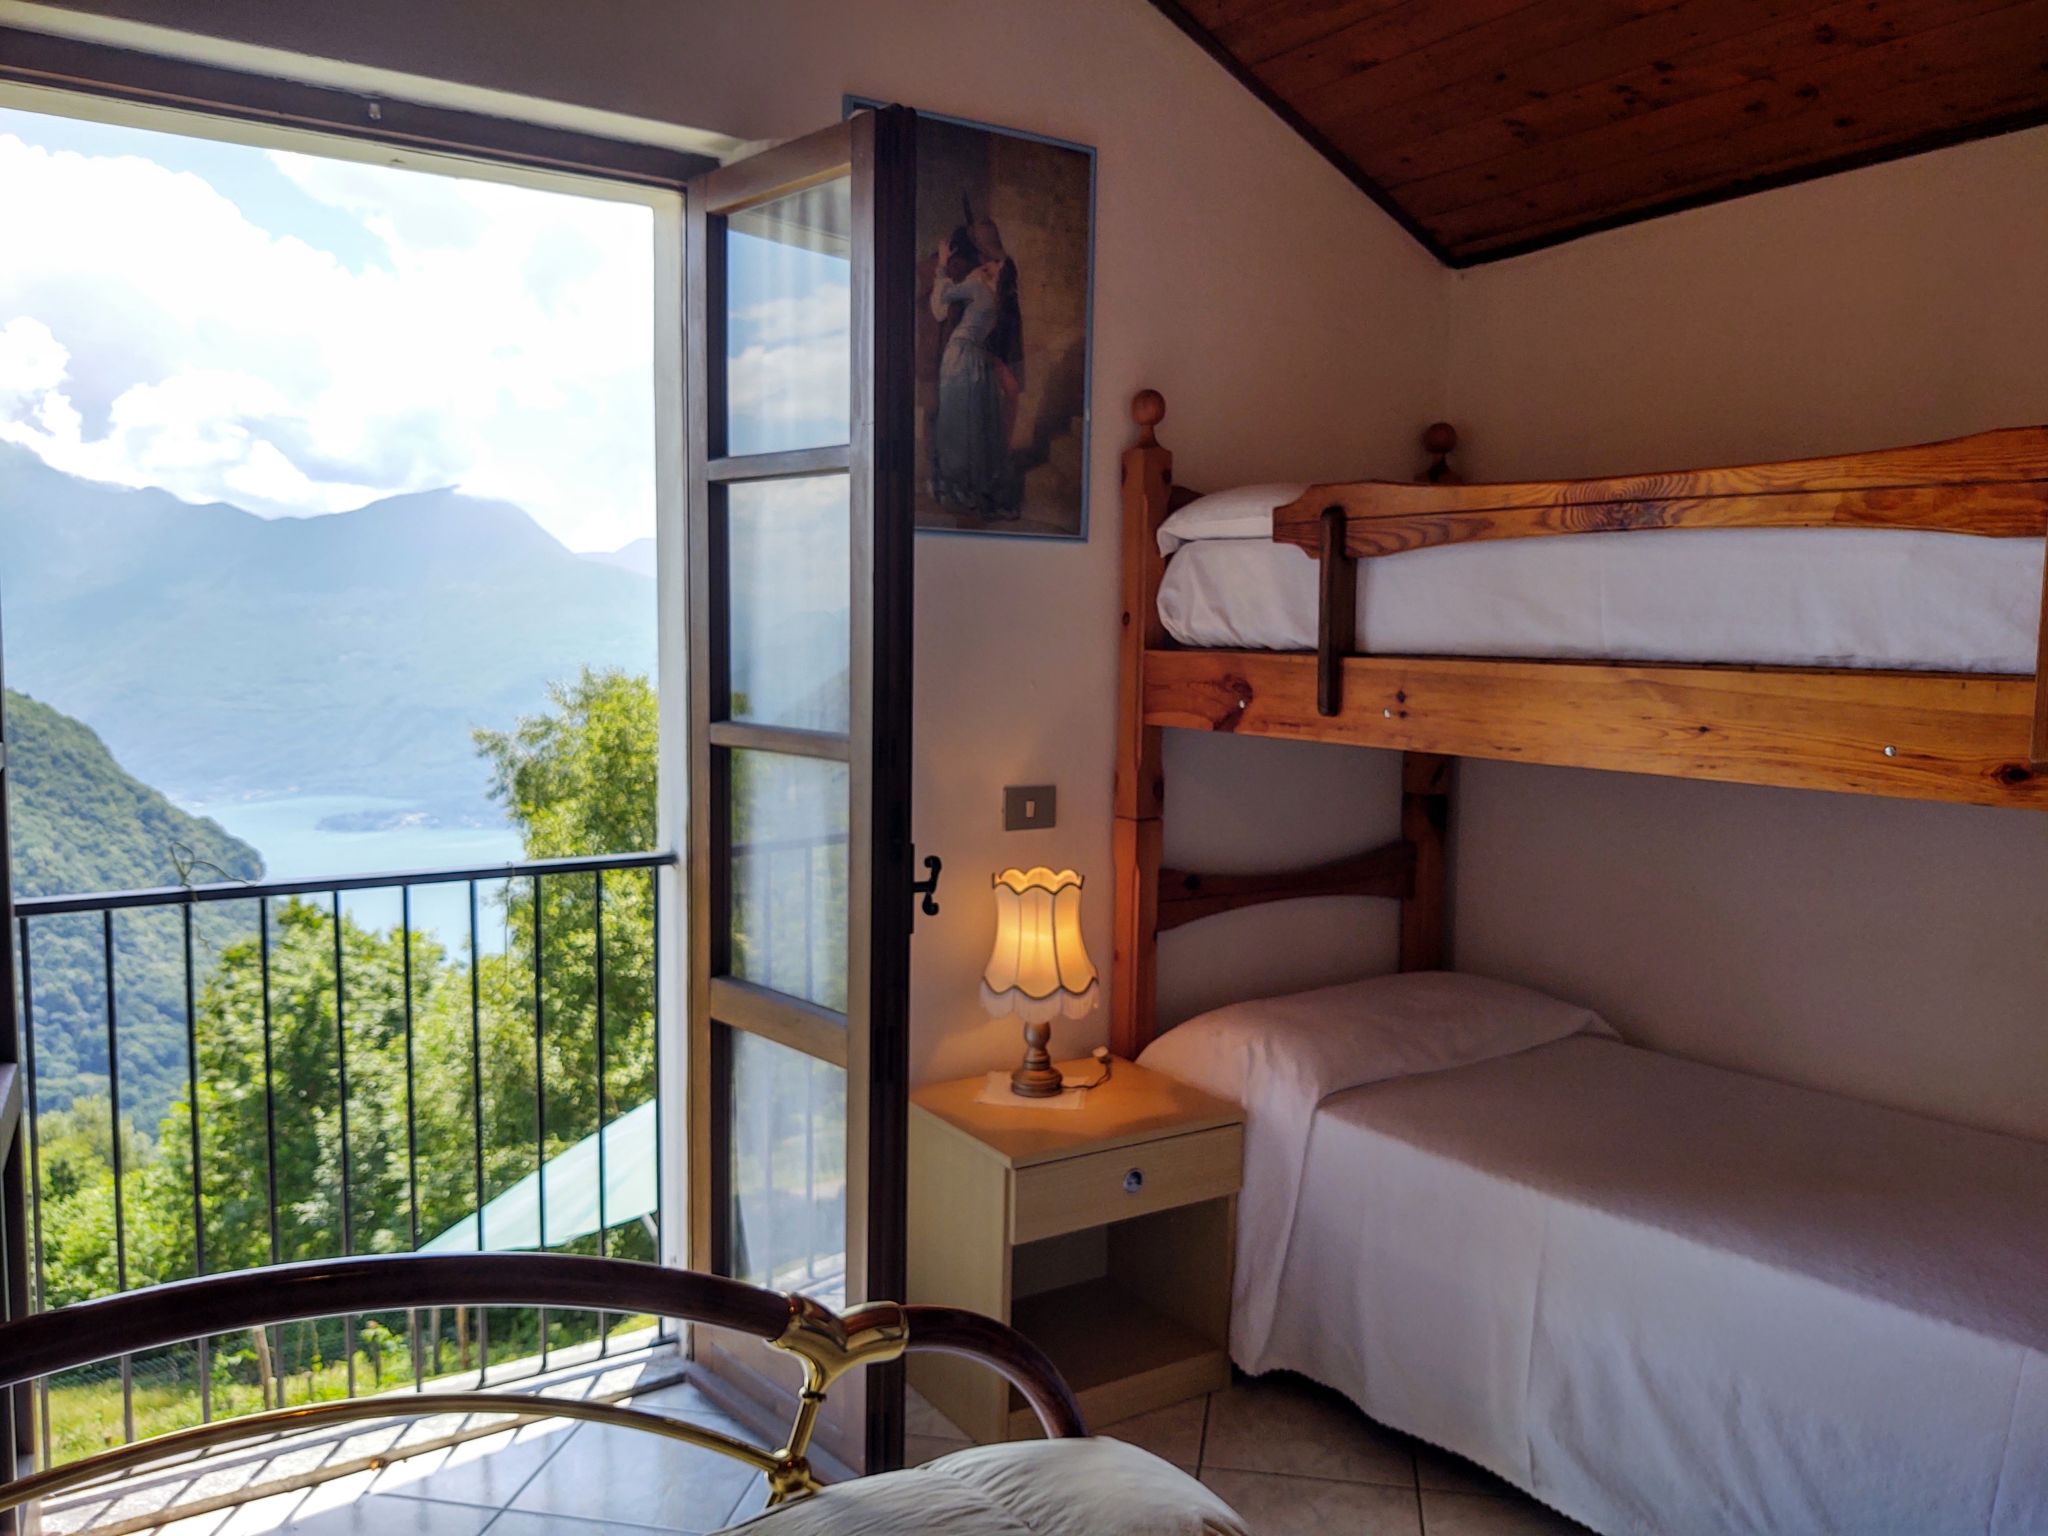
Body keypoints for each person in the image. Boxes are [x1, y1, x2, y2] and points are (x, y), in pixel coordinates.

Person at [927, 218, 1022, 519]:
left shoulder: (979, 289)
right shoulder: (994, 296)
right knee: (971, 425)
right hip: (971, 358)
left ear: (997, 271)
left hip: (962, 356)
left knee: (962, 424)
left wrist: (943, 264)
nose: (987, 263)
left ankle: (963, 487)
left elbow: (942, 298)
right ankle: (969, 488)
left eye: (994, 263)